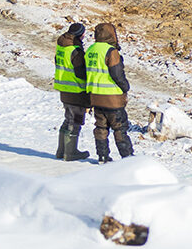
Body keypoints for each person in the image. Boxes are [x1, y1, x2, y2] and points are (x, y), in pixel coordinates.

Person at [84, 21, 134, 162]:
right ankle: (127, 157)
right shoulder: (111, 52)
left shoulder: (91, 49)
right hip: (112, 98)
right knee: (119, 129)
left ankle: (103, 156)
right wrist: (125, 87)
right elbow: (117, 74)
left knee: (101, 127)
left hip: (95, 96)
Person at [53, 22, 91, 161]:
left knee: (68, 119)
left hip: (64, 89)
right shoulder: (76, 51)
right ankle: (70, 152)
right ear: (81, 35)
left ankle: (61, 151)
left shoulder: (62, 47)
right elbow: (81, 73)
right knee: (75, 120)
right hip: (76, 90)